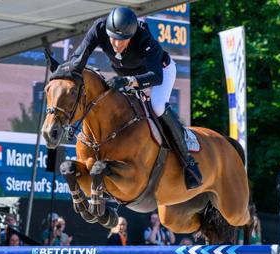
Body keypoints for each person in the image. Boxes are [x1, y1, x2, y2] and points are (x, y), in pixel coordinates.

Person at [66, 7, 201, 189]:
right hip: (127, 77)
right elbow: (78, 59)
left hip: (159, 73)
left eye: (123, 40)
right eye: (113, 38)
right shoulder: (99, 28)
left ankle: (188, 161)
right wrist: (64, 73)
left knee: (158, 106)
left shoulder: (143, 36)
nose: (116, 44)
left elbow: (156, 76)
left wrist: (129, 81)